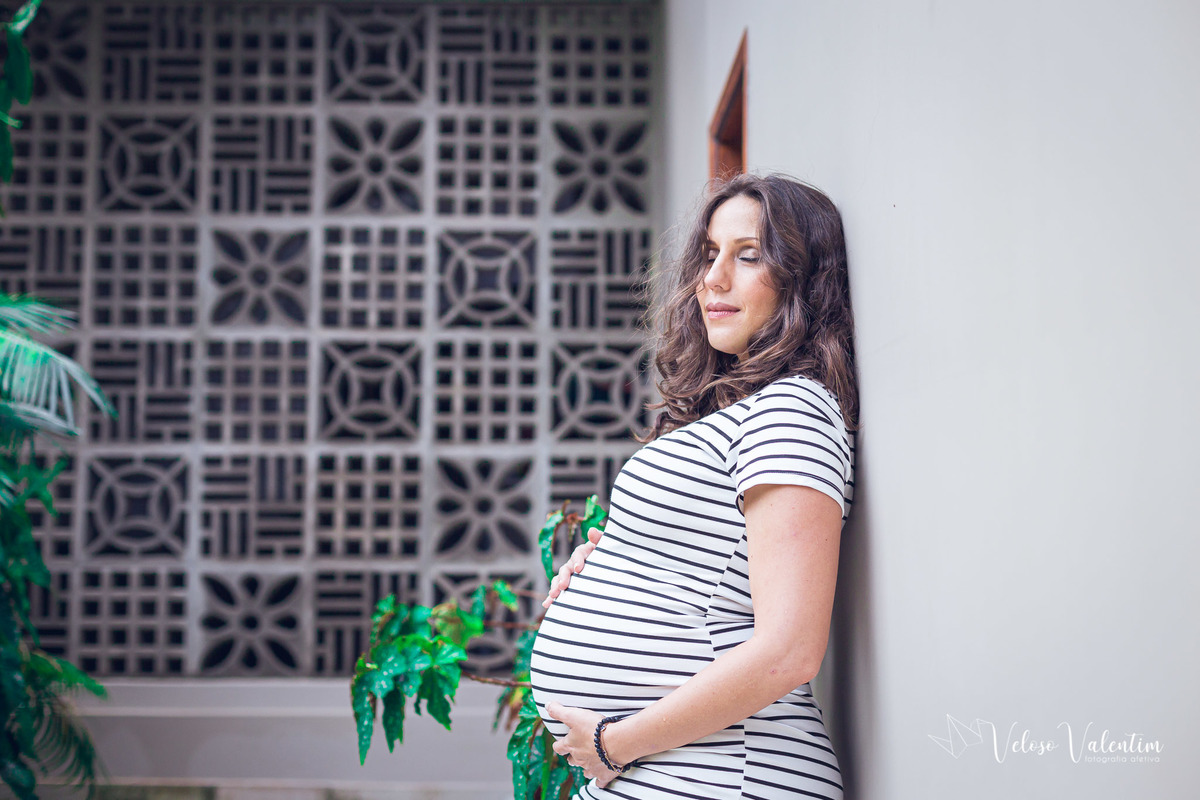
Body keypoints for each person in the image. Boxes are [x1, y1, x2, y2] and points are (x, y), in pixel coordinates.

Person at [529, 172, 859, 799]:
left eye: (749, 256)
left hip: (727, 771)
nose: (713, 279)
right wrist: (616, 560)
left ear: (804, 282)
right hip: (674, 769)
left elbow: (790, 649)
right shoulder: (746, 412)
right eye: (710, 254)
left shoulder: (793, 411)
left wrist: (612, 743)